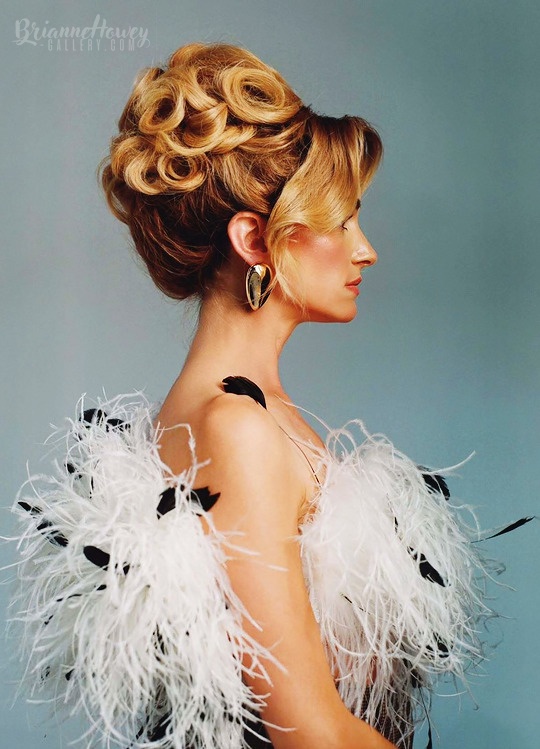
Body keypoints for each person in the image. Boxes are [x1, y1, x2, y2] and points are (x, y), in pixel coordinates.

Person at [11, 42, 513, 749]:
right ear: (254, 239)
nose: (365, 249)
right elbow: (310, 733)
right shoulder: (235, 426)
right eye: (340, 220)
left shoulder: (252, 413)